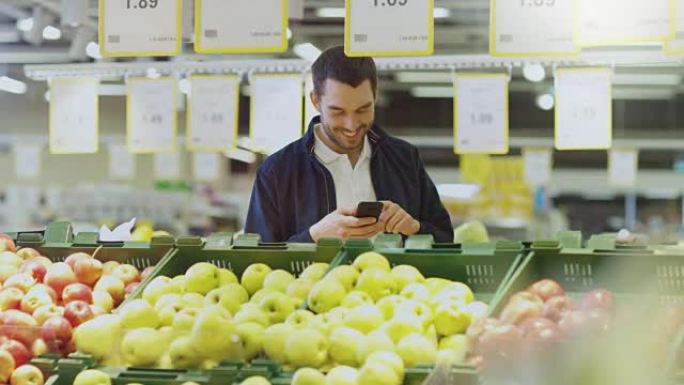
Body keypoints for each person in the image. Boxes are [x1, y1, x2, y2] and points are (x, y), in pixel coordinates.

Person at [245, 46, 452, 243]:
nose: (351, 125)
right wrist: (313, 237)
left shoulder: (404, 159)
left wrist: (415, 228)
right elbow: (255, 262)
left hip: (395, 281)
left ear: (375, 96)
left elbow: (445, 239)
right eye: (338, 111)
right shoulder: (277, 172)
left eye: (363, 109)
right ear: (316, 100)